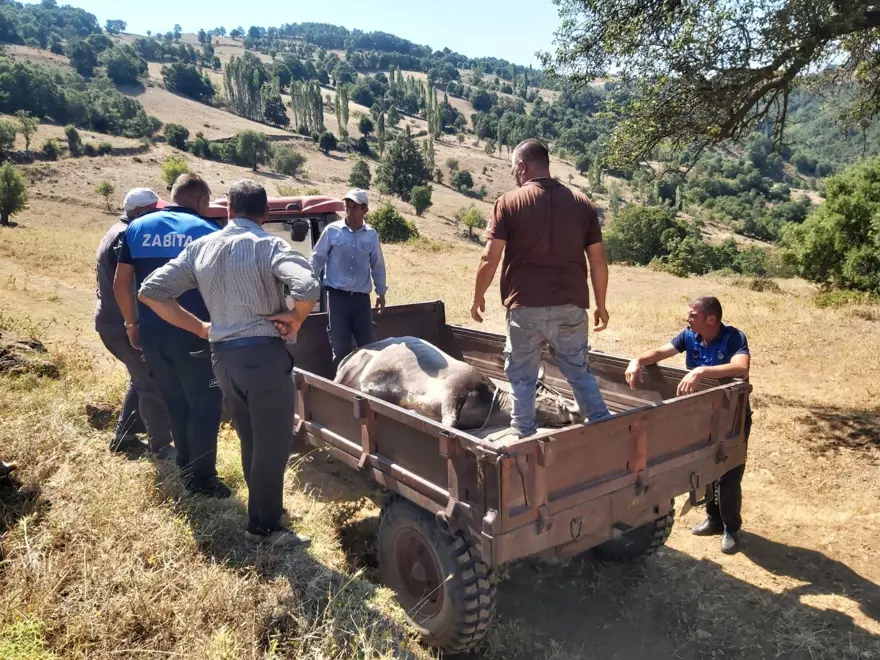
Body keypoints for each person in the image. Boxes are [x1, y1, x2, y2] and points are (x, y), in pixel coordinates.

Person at [138, 179, 321, 548]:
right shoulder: (267, 245)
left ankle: (263, 511)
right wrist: (296, 319)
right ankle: (264, 529)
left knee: (251, 437)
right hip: (262, 357)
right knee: (272, 443)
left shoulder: (201, 247)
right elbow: (307, 287)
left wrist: (200, 327)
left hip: (222, 358)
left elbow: (150, 292)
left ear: (230, 210)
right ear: (265, 214)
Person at [471, 138, 611, 438]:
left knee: (521, 377)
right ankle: (603, 429)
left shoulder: (509, 202)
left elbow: (489, 256)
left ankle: (523, 436)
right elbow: (598, 261)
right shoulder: (582, 203)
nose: (513, 175)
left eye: (513, 169)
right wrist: (600, 304)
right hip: (572, 306)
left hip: (525, 307)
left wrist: (478, 296)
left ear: (522, 166)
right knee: (578, 371)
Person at [113, 174, 230, 498]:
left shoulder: (138, 227)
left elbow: (121, 283)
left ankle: (184, 465)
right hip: (195, 334)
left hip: (152, 333)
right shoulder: (210, 232)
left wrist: (131, 324)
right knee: (205, 405)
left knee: (176, 402)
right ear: (203, 201)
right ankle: (203, 480)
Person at [624, 296, 751, 554]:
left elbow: (741, 367)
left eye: (693, 315)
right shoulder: (689, 336)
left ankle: (732, 528)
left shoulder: (733, 337)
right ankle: (713, 519)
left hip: (731, 416)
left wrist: (702, 371)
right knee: (705, 467)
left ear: (711, 318)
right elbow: (660, 352)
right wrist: (637, 360)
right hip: (701, 415)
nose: (688, 318)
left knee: (728, 472)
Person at [94, 188, 174, 458]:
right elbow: (127, 284)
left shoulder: (116, 230)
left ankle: (125, 437)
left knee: (140, 378)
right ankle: (162, 449)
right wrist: (134, 323)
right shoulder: (125, 236)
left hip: (112, 322)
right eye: (155, 210)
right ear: (141, 212)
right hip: (123, 324)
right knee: (152, 383)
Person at [310, 189, 387, 371]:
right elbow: (317, 258)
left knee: (369, 346)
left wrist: (381, 292)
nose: (350, 210)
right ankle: (342, 389)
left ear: (365, 210)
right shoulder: (332, 231)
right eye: (347, 206)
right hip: (337, 298)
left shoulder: (371, 235)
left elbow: (377, 265)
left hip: (361, 299)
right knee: (340, 347)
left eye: (354, 207)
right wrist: (309, 283)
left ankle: (368, 390)